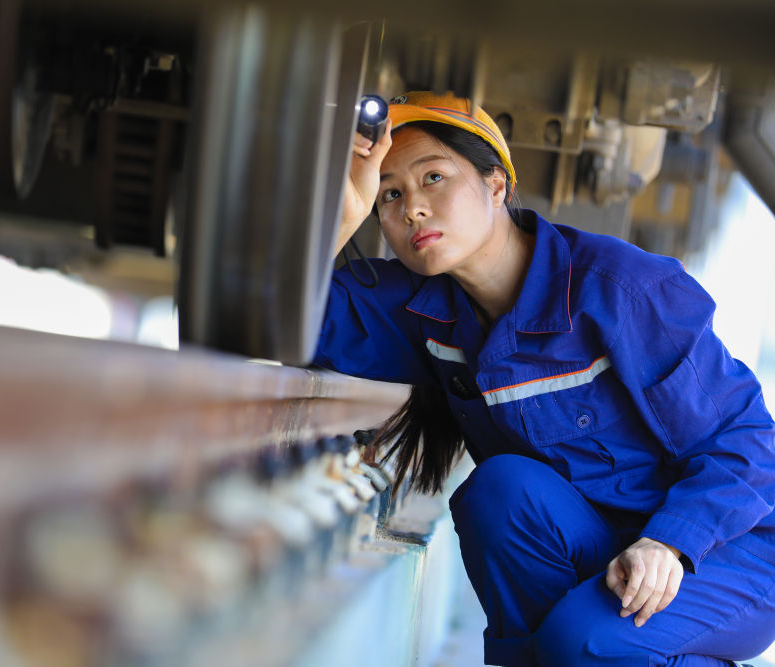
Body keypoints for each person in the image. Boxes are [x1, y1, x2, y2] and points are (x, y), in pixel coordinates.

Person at [314, 90, 775, 666]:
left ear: (496, 184)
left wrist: (670, 543)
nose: (413, 209)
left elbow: (746, 441)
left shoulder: (621, 291)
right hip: (601, 540)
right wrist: (344, 210)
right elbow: (288, 321)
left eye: (434, 177)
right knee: (499, 491)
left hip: (728, 548)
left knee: (582, 641)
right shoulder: (424, 311)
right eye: (390, 194)